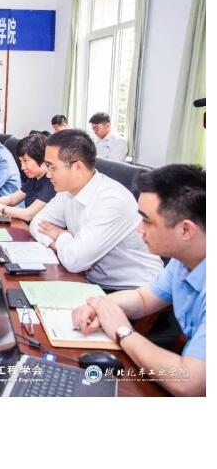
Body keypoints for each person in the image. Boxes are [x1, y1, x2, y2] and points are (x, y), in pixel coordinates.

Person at [72, 164, 205, 396]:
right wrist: (102, 305)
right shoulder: (183, 261)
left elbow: (189, 382)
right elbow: (144, 298)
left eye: (147, 221)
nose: (138, 228)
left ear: (186, 230)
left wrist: (123, 332)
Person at [30, 129, 163, 289]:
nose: (48, 175)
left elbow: (74, 261)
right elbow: (37, 223)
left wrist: (62, 235)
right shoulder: (67, 191)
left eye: (52, 167)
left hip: (134, 290)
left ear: (77, 167)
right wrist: (58, 245)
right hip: (91, 281)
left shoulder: (111, 200)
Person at [0, 133, 55, 222]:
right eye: (21, 162)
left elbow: (28, 214)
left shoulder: (51, 182)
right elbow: (12, 199)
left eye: (26, 161)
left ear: (41, 159)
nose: (22, 167)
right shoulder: (34, 177)